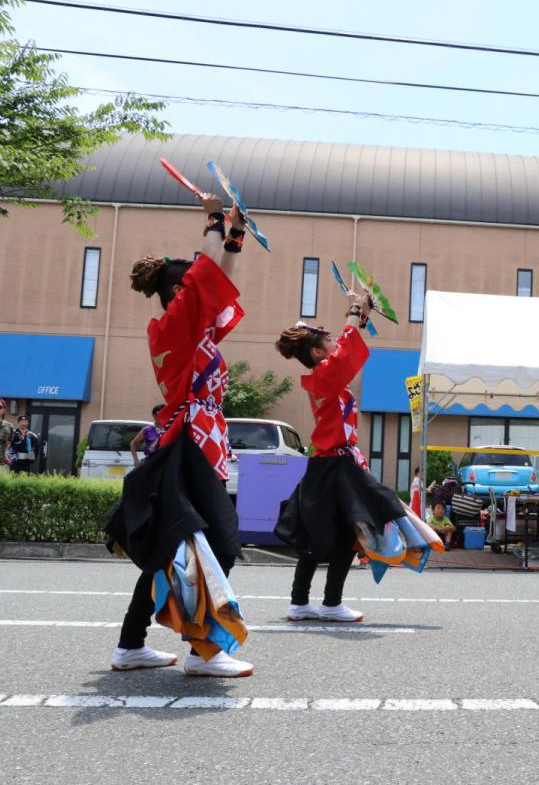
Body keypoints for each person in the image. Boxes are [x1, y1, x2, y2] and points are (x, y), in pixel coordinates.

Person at [106, 192, 253, 678]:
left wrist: (234, 233)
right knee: (223, 543)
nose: (208, 288)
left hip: (198, 440)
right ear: (182, 292)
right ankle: (202, 651)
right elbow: (207, 277)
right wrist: (212, 216)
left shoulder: (195, 328)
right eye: (195, 283)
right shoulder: (175, 326)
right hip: (189, 441)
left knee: (173, 542)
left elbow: (217, 278)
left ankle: (130, 644)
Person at [274, 294, 442, 619]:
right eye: (329, 342)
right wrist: (353, 311)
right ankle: (304, 602)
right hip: (330, 465)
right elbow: (344, 355)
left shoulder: (329, 377)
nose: (335, 343)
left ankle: (328, 602)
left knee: (346, 534)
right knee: (320, 532)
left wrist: (362, 313)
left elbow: (345, 352)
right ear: (318, 353)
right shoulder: (323, 377)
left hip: (339, 465)